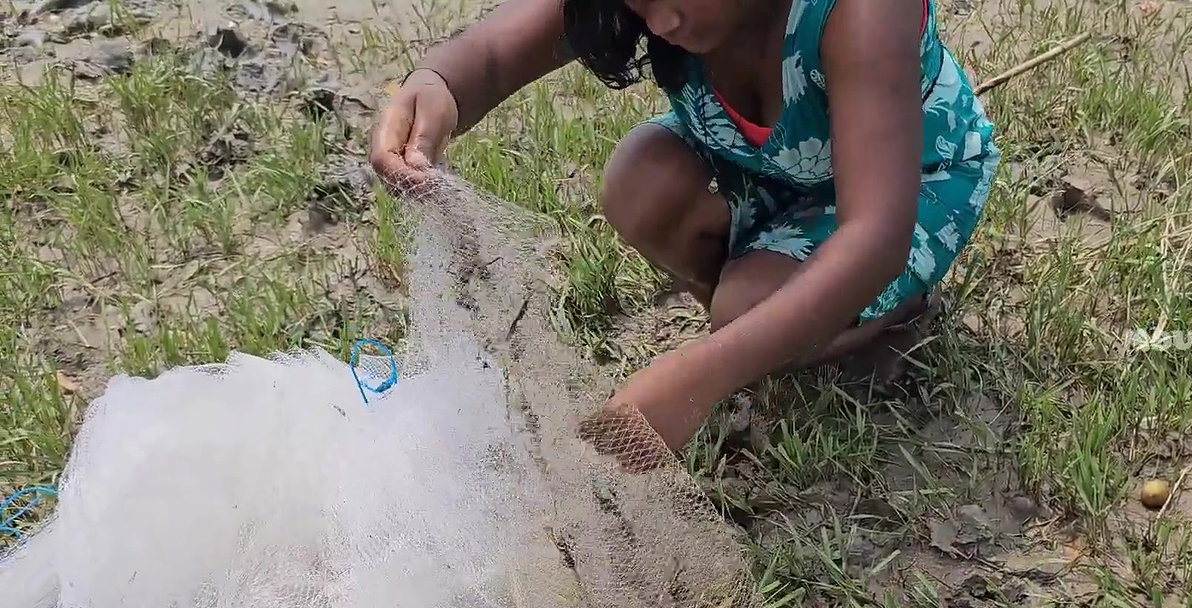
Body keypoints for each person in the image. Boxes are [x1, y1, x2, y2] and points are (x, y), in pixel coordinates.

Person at [369, 0, 1000, 458]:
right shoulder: (655, 7)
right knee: (641, 183)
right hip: (765, 167)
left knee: (746, 310)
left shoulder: (859, 12)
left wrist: (699, 377)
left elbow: (875, 237)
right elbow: (493, 53)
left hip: (907, 187)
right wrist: (436, 87)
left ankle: (887, 316)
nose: (661, 22)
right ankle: (776, 314)